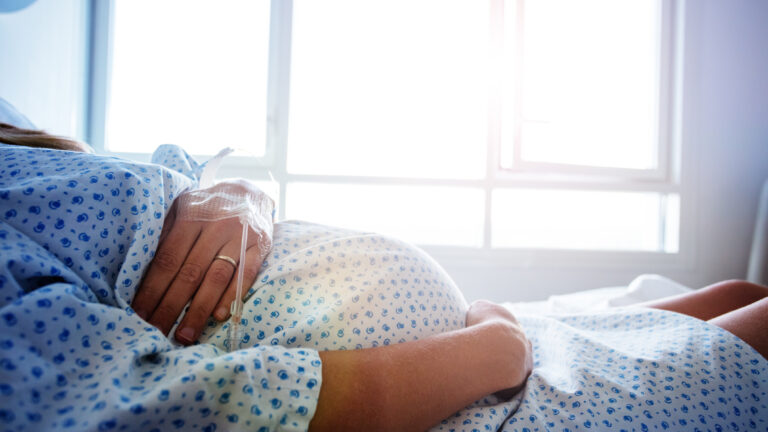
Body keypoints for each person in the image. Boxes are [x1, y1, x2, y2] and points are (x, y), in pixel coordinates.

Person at [1, 120, 766, 431]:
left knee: (740, 296)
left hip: (483, 349)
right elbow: (185, 408)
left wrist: (239, 196)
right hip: (473, 397)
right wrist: (490, 356)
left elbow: (157, 188)